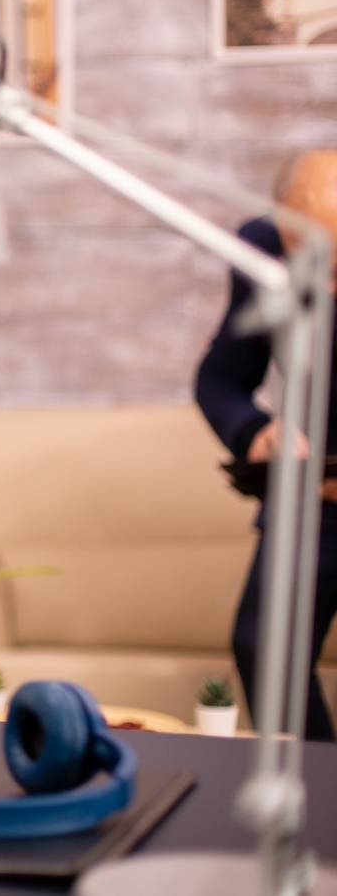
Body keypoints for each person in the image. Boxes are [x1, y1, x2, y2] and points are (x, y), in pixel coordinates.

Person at [195, 148, 337, 742]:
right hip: (313, 497)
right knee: (263, 647)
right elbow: (221, 380)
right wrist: (258, 433)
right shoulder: (260, 248)